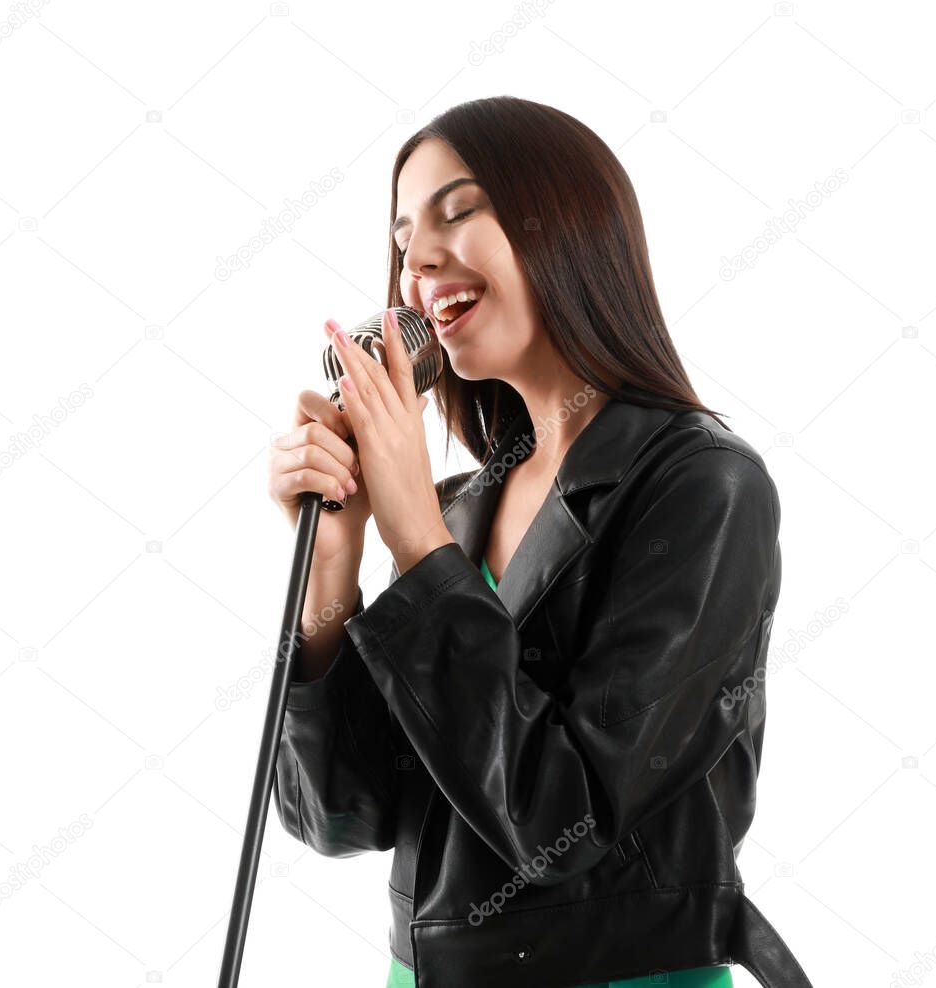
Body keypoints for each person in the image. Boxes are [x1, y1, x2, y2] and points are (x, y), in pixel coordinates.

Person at [267, 96, 813, 988]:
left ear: (567, 225)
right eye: (403, 239)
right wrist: (336, 563)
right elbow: (341, 818)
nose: (419, 263)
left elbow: (558, 818)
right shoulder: (455, 512)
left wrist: (414, 542)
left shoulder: (703, 487)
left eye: (459, 211)